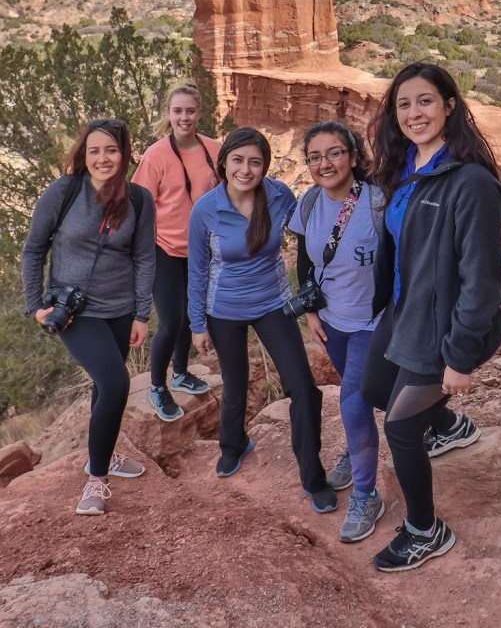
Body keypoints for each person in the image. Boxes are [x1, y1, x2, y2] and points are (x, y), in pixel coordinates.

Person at [362, 61, 501, 572]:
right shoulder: (403, 167)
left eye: (425, 100)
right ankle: (448, 426)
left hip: (445, 323)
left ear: (450, 105)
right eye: (403, 104)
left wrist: (460, 357)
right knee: (374, 389)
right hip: (407, 309)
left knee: (401, 429)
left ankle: (426, 531)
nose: (413, 113)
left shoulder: (469, 183)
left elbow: (482, 282)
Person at [187, 127, 336, 514]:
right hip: (224, 311)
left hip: (273, 303)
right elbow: (198, 270)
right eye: (238, 160)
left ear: (265, 167)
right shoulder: (205, 209)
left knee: (303, 386)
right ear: (224, 164)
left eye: (255, 162)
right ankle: (233, 444)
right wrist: (196, 323)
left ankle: (312, 476)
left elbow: (311, 224)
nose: (246, 169)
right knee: (236, 384)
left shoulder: (278, 195)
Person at [22, 118, 155, 516]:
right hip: (75, 312)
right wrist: (34, 306)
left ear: (124, 154)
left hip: (121, 310)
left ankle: (107, 453)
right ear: (83, 154)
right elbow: (33, 250)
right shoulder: (64, 191)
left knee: (104, 385)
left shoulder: (140, 199)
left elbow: (144, 257)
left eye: (111, 150)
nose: (103, 158)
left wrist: (141, 314)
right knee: (116, 383)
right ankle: (96, 480)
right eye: (94, 150)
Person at [289, 120, 385, 543]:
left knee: (352, 402)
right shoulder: (309, 203)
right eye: (314, 156)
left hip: (374, 322)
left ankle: (367, 495)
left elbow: (402, 260)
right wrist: (311, 311)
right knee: (352, 393)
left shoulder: (379, 202)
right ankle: (356, 451)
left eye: (333, 153)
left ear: (352, 156)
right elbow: (305, 262)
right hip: (332, 321)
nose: (324, 163)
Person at [132, 83, 221, 421]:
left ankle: (181, 372)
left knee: (191, 315)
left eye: (190, 111)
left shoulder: (214, 150)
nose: (184, 117)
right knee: (170, 320)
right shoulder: (156, 155)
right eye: (178, 111)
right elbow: (140, 206)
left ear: (200, 113)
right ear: (169, 114)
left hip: (201, 251)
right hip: (164, 249)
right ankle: (158, 387)